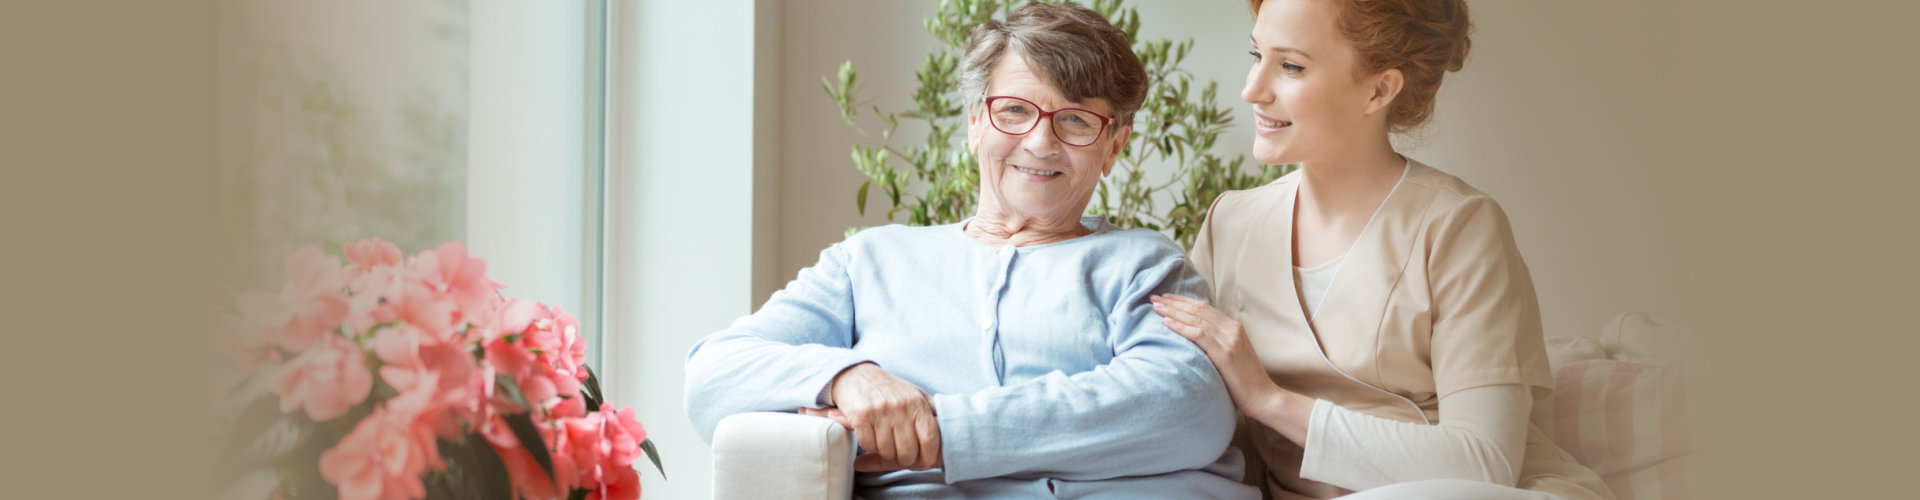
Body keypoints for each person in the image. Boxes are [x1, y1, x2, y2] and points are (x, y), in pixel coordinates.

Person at [685, 3, 1259, 499]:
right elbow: (713, 375)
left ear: (1112, 146)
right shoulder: (869, 262)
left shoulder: (1144, 264)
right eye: (1014, 110)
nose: (1040, 141)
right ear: (975, 123)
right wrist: (847, 377)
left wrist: (943, 430)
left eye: (1076, 120)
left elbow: (1186, 409)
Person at [1149, 0, 1614, 499]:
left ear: (1378, 89)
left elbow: (1485, 463)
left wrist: (1266, 399)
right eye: (1255, 54)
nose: (1252, 90)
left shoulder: (1459, 225)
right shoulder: (1230, 224)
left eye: (1290, 66)